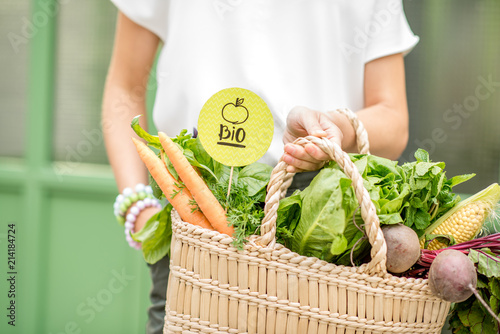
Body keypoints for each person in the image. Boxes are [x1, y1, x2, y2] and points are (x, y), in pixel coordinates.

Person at [102, 1, 418, 333]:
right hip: (196, 205)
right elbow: (125, 87)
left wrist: (333, 127)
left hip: (321, 216)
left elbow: (393, 119)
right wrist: (137, 205)